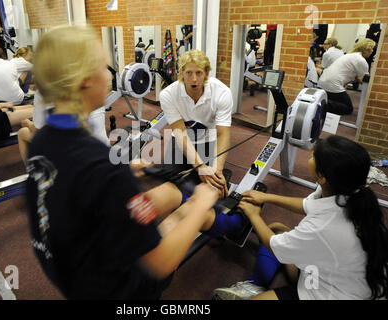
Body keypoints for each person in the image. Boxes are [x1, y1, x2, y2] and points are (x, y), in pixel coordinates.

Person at [25, 24, 246, 300]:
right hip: (121, 289)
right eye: (104, 67)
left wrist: (126, 170)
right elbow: (161, 263)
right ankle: (235, 224)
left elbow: (70, 185)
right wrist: (202, 202)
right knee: (190, 208)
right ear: (84, 80)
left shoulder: (41, 140)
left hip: (73, 266)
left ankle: (226, 220)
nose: (109, 76)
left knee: (170, 191)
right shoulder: (103, 169)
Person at [213, 135, 388, 300]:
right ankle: (255, 284)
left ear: (322, 176)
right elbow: (306, 204)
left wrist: (254, 215)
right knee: (276, 229)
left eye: (313, 157)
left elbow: (275, 247)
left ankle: (254, 287)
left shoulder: (321, 227)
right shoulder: (346, 190)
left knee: (273, 243)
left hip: (332, 293)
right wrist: (267, 197)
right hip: (327, 269)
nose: (309, 156)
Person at [159, 49, 233, 199]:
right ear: (181, 74)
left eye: (199, 73)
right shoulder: (168, 94)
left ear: (206, 73)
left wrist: (217, 170)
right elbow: (180, 133)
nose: (194, 79)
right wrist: (199, 166)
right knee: (169, 181)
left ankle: (224, 172)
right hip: (181, 140)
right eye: (189, 73)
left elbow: (223, 133)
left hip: (208, 140)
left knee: (213, 183)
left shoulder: (222, 93)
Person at [318, 38, 375, 115]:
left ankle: (322, 101)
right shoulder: (361, 60)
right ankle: (321, 106)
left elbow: (355, 76)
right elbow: (365, 81)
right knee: (348, 108)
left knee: (338, 100)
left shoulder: (350, 55)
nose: (372, 51)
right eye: (371, 49)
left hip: (322, 82)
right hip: (332, 85)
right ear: (366, 49)